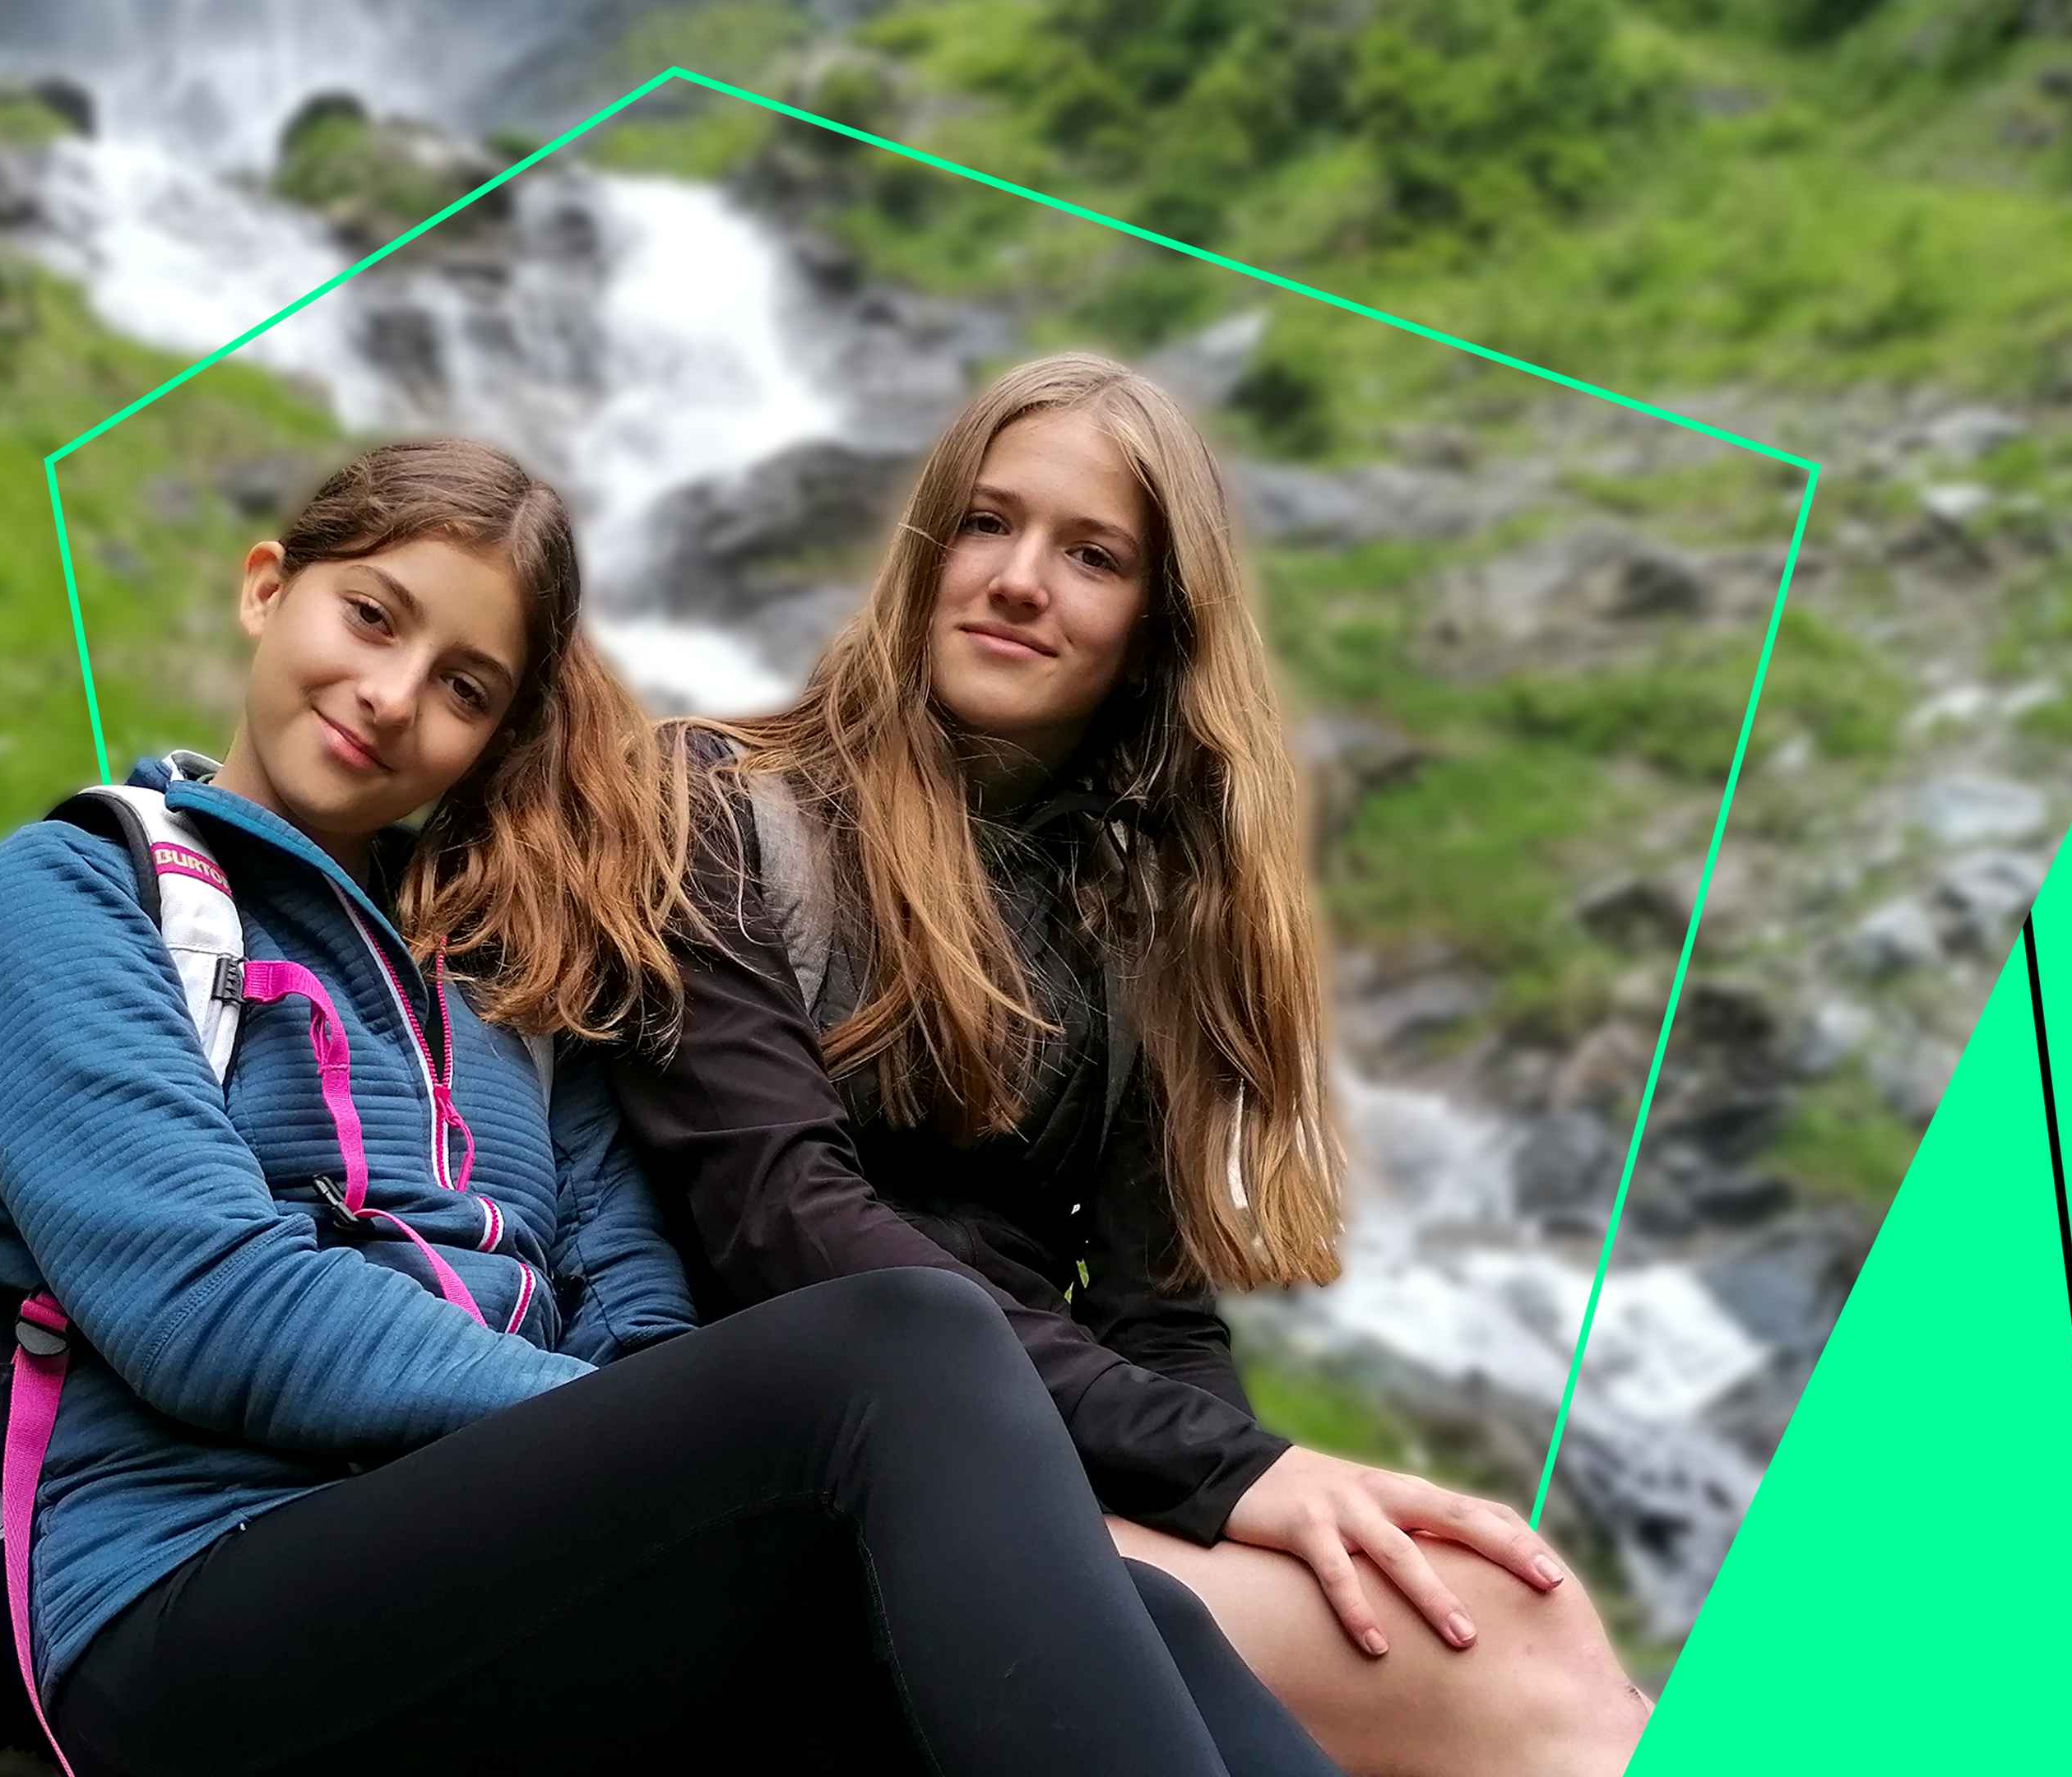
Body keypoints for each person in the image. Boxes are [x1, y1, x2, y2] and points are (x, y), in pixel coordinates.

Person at [0, 438, 1337, 1776]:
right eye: (370, 617)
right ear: (267, 588)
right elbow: (210, 1307)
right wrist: (617, 1437)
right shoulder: (73, 894)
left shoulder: (510, 974)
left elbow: (638, 1309)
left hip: (492, 1591)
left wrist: (641, 1455)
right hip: (194, 1616)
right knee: (900, 1340)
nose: (389, 692)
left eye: (465, 686)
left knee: (1147, 1617)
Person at [607, 356, 1655, 1777]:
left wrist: (1258, 1504)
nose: (1019, 579)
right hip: (833, 1457)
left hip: (1054, 1465)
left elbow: (1160, 1324)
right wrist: (1231, 1477)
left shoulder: (1131, 917)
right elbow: (780, 1218)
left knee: (1516, 1606)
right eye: (986, 523)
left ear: (1156, 630)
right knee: (1518, 1660)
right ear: (926, 547)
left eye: (1091, 554)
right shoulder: (712, 805)